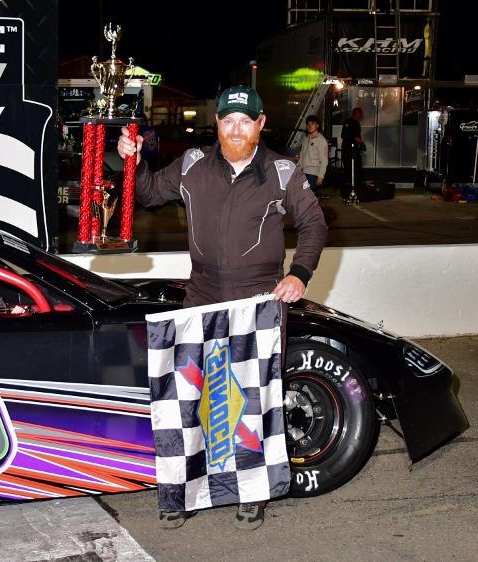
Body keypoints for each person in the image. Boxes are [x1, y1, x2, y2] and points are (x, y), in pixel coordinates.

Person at [117, 85, 327, 531]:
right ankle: (181, 493)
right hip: (202, 298)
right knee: (189, 399)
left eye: (245, 121)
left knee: (252, 401)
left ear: (260, 124)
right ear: (217, 124)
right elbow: (148, 193)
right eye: (228, 120)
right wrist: (132, 161)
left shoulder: (283, 171)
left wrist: (299, 274)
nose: (235, 129)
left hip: (258, 303)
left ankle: (252, 493)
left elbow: (313, 224)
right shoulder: (192, 164)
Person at [299, 115, 328, 197]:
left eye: (312, 123)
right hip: (304, 171)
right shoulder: (306, 138)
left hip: (313, 173)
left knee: (309, 196)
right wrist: (299, 167)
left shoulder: (321, 140)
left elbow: (324, 160)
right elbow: (302, 154)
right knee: (303, 196)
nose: (310, 126)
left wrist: (321, 176)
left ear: (317, 125)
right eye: (308, 124)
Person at [340, 107, 365, 187]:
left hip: (355, 150)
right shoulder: (348, 122)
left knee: (357, 168)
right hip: (348, 150)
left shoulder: (357, 123)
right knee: (349, 169)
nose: (362, 115)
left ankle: (356, 186)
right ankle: (349, 187)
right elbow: (344, 135)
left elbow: (357, 136)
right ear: (356, 114)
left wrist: (361, 143)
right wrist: (355, 138)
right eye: (360, 114)